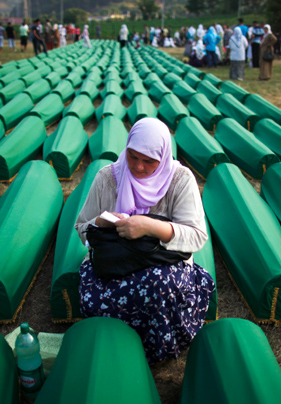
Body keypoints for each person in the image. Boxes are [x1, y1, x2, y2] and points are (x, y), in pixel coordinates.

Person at [75, 118, 215, 365]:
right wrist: (102, 222)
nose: (138, 167)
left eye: (149, 161)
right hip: (115, 260)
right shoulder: (108, 177)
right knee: (92, 297)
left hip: (160, 261)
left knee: (160, 287)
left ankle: (153, 353)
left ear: (163, 156)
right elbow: (82, 228)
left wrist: (150, 226)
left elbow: (196, 236)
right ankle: (115, 348)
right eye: (132, 156)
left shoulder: (180, 180)